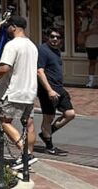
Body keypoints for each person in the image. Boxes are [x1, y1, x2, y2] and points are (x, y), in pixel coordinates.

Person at [0, 15, 38, 170]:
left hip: (13, 91)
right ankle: (28, 156)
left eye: (7, 26)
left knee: (5, 121)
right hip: (30, 91)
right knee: (29, 124)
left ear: (13, 27)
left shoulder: (12, 45)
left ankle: (26, 154)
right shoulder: (32, 46)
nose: (6, 29)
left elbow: (4, 68)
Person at [37, 28, 75, 156]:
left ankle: (46, 133)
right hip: (48, 89)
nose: (55, 39)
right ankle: (49, 146)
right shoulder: (42, 50)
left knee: (70, 114)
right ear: (47, 37)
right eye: (52, 36)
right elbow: (40, 71)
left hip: (59, 88)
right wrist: (49, 90)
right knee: (48, 117)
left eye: (58, 37)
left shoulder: (56, 51)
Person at [84, 5, 98, 88]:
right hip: (91, 45)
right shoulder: (88, 21)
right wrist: (92, 31)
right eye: (95, 12)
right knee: (92, 63)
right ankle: (91, 81)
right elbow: (82, 33)